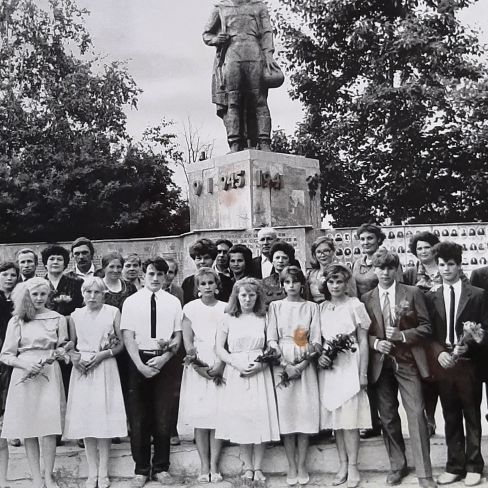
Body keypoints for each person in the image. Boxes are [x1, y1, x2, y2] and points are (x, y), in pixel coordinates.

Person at [361, 250, 435, 488]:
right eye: (381, 268)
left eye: (390, 268)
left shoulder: (412, 293)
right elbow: (363, 333)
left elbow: (426, 328)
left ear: (397, 270)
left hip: (407, 361)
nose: (385, 272)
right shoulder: (366, 298)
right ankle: (397, 465)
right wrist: (375, 342)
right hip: (381, 365)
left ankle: (425, 473)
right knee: (388, 416)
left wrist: (403, 335)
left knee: (416, 413)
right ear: (374, 270)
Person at [427, 242, 487, 487]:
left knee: (471, 415)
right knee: (450, 415)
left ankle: (474, 466)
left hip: (469, 363)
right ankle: (454, 465)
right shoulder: (431, 296)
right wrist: (438, 351)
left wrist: (470, 343)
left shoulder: (478, 294)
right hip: (445, 363)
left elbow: (485, 328)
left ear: (460, 265)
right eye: (442, 265)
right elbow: (427, 332)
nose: (446, 269)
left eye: (451, 264)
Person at [121, 257, 183, 488]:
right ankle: (141, 469)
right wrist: (140, 364)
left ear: (166, 276)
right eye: (151, 274)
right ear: (143, 275)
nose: (155, 278)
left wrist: (165, 357)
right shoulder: (131, 302)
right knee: (139, 416)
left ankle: (161, 467)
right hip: (138, 360)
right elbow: (128, 335)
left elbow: (177, 335)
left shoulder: (173, 302)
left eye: (160, 274)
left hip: (165, 360)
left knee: (163, 414)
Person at [0, 277, 68, 488]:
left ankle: (48, 475)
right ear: (27, 296)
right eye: (34, 294)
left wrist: (59, 353)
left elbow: (64, 347)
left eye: (43, 294)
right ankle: (36, 477)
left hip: (49, 373)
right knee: (29, 427)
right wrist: (25, 365)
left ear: (49, 296)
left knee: (48, 427)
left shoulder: (57, 318)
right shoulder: (17, 320)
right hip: (24, 375)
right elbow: (6, 355)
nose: (38, 298)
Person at [64, 277, 127, 488]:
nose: (92, 296)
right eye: (88, 292)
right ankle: (92, 472)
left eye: (97, 292)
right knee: (87, 419)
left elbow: (121, 344)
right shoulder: (75, 315)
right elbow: (72, 343)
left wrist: (104, 354)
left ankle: (103, 472)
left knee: (103, 418)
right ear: (82, 293)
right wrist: (74, 357)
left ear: (104, 294)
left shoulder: (112, 312)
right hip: (83, 368)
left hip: (105, 366)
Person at [215, 278, 280, 481]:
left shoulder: (264, 316)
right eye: (243, 295)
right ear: (236, 296)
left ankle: (259, 467)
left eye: (252, 295)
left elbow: (272, 343)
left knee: (260, 415)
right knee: (242, 417)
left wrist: (263, 363)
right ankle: (248, 467)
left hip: (259, 368)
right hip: (237, 370)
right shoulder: (228, 318)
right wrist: (236, 364)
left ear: (258, 297)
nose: (248, 299)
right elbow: (218, 348)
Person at [203, 0, 282, 152]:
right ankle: (235, 144)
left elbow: (267, 32)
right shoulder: (220, 8)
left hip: (254, 53)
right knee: (233, 101)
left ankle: (264, 142)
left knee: (259, 100)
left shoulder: (259, 6)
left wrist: (269, 54)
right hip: (231, 54)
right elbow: (207, 34)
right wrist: (215, 39)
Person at [318, 264, 370, 488]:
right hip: (331, 367)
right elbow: (317, 340)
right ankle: (341, 464)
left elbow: (363, 341)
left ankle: (353, 467)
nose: (335, 286)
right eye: (331, 281)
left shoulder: (355, 305)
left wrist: (363, 372)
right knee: (336, 419)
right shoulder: (321, 308)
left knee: (350, 420)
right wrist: (322, 355)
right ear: (326, 284)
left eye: (339, 281)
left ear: (346, 283)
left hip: (350, 363)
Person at [267, 266, 320, 486]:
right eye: (287, 282)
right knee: (287, 413)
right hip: (283, 359)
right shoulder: (275, 306)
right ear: (282, 285)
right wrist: (284, 364)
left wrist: (303, 364)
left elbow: (316, 339)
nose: (291, 286)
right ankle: (291, 464)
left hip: (305, 359)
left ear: (302, 284)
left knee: (304, 412)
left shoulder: (312, 307)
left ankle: (302, 465)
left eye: (295, 282)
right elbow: (271, 338)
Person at [352, 223, 402, 439]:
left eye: (370, 238)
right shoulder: (357, 263)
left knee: (387, 373)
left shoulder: (388, 260)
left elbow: (397, 290)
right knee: (370, 369)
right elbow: (354, 291)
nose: (365, 243)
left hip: (386, 313)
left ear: (379, 239)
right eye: (362, 239)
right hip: (366, 315)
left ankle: (389, 419)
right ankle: (373, 421)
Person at [178, 268, 227, 483]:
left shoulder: (226, 308)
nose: (207, 286)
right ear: (197, 287)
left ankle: (215, 465)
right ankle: (203, 465)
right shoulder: (190, 308)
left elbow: (227, 341)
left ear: (217, 285)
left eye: (211, 283)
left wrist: (219, 365)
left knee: (217, 415)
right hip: (198, 362)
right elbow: (188, 342)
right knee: (201, 417)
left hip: (219, 360)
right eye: (203, 283)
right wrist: (198, 366)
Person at [403, 231, 441, 438]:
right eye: (419, 248)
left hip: (441, 330)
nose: (423, 251)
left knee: (438, 376)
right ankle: (428, 419)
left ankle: (438, 416)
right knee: (423, 375)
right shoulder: (410, 273)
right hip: (418, 331)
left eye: (427, 247)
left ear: (435, 249)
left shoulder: (445, 268)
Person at [0, 262, 20, 464]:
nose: (9, 278)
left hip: (14, 347)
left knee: (10, 388)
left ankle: (11, 429)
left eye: (13, 275)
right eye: (5, 274)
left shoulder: (19, 297)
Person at [305, 236, 356, 303]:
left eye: (326, 251)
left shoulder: (343, 270)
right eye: (318, 252)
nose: (322, 255)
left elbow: (352, 295)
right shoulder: (311, 274)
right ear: (314, 255)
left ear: (333, 252)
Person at [182, 239, 233, 304]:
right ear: (194, 260)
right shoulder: (187, 282)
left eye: (206, 258)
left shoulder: (226, 282)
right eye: (199, 258)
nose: (202, 262)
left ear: (213, 259)